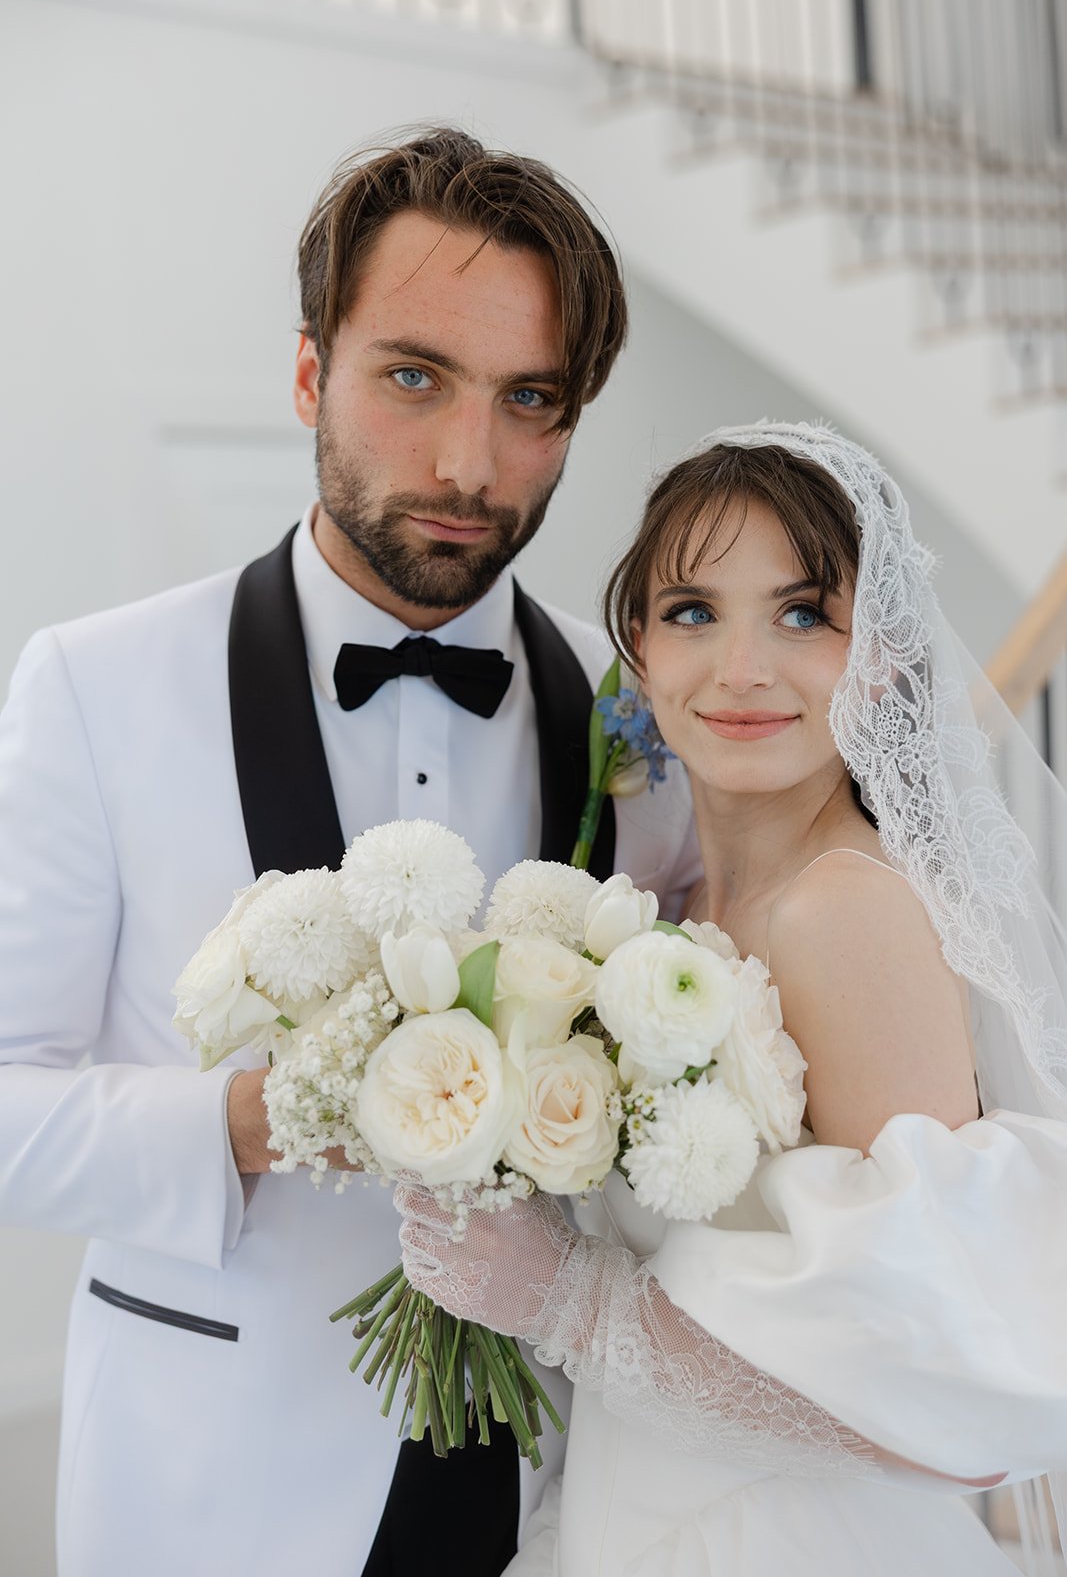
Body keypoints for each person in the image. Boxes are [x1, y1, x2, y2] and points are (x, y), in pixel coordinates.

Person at [0, 127, 698, 1577]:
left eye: (529, 400)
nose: (467, 461)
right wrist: (256, 1119)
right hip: (210, 1496)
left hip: (562, 1499)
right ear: (310, 371)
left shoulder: (643, 720)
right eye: (412, 377)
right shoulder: (91, 686)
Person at [395, 421, 1067, 1576]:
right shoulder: (665, 901)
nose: (742, 667)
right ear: (637, 651)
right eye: (693, 612)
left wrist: (567, 1302)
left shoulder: (841, 914)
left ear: (885, 660)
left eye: (803, 614)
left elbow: (945, 1403)